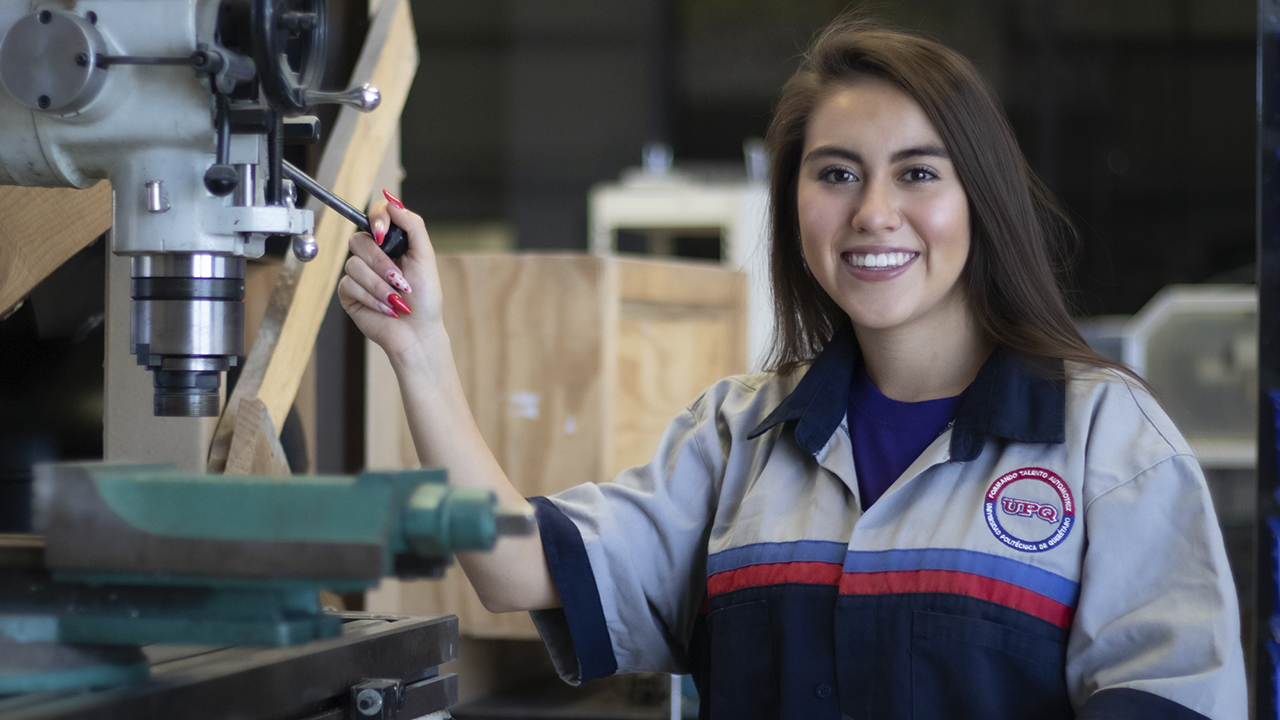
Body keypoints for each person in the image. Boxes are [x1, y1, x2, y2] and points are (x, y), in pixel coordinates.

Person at [338, 16, 1246, 720]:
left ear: (982, 200)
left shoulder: (1104, 441)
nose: (874, 213)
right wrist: (422, 352)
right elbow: (519, 567)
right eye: (838, 174)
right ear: (795, 207)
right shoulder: (739, 436)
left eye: (919, 174)